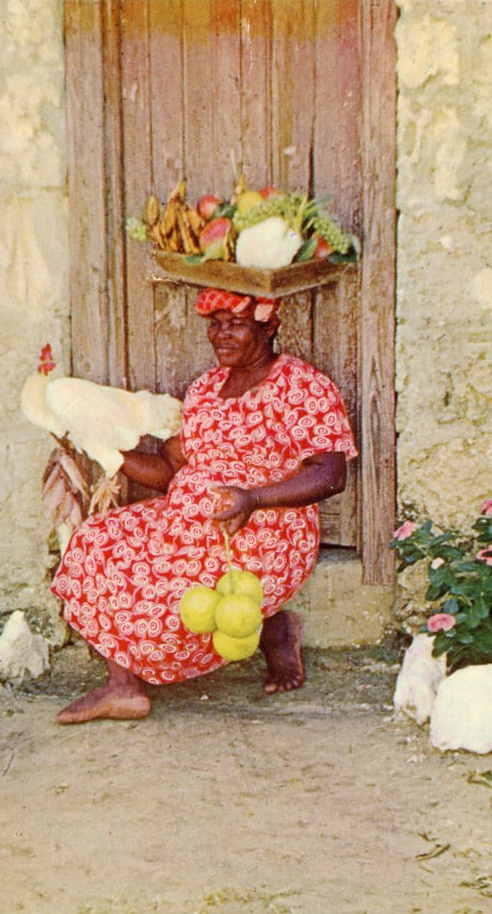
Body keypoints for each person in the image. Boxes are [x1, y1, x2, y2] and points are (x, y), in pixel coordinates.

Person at [51, 287, 358, 723]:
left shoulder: (300, 386)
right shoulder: (205, 389)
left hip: (264, 534)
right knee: (95, 540)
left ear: (269, 325)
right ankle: (123, 687)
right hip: (181, 525)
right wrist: (109, 453)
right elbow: (170, 470)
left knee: (173, 609)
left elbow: (331, 473)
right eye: (215, 324)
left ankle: (271, 626)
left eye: (235, 324)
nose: (221, 335)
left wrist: (252, 499)